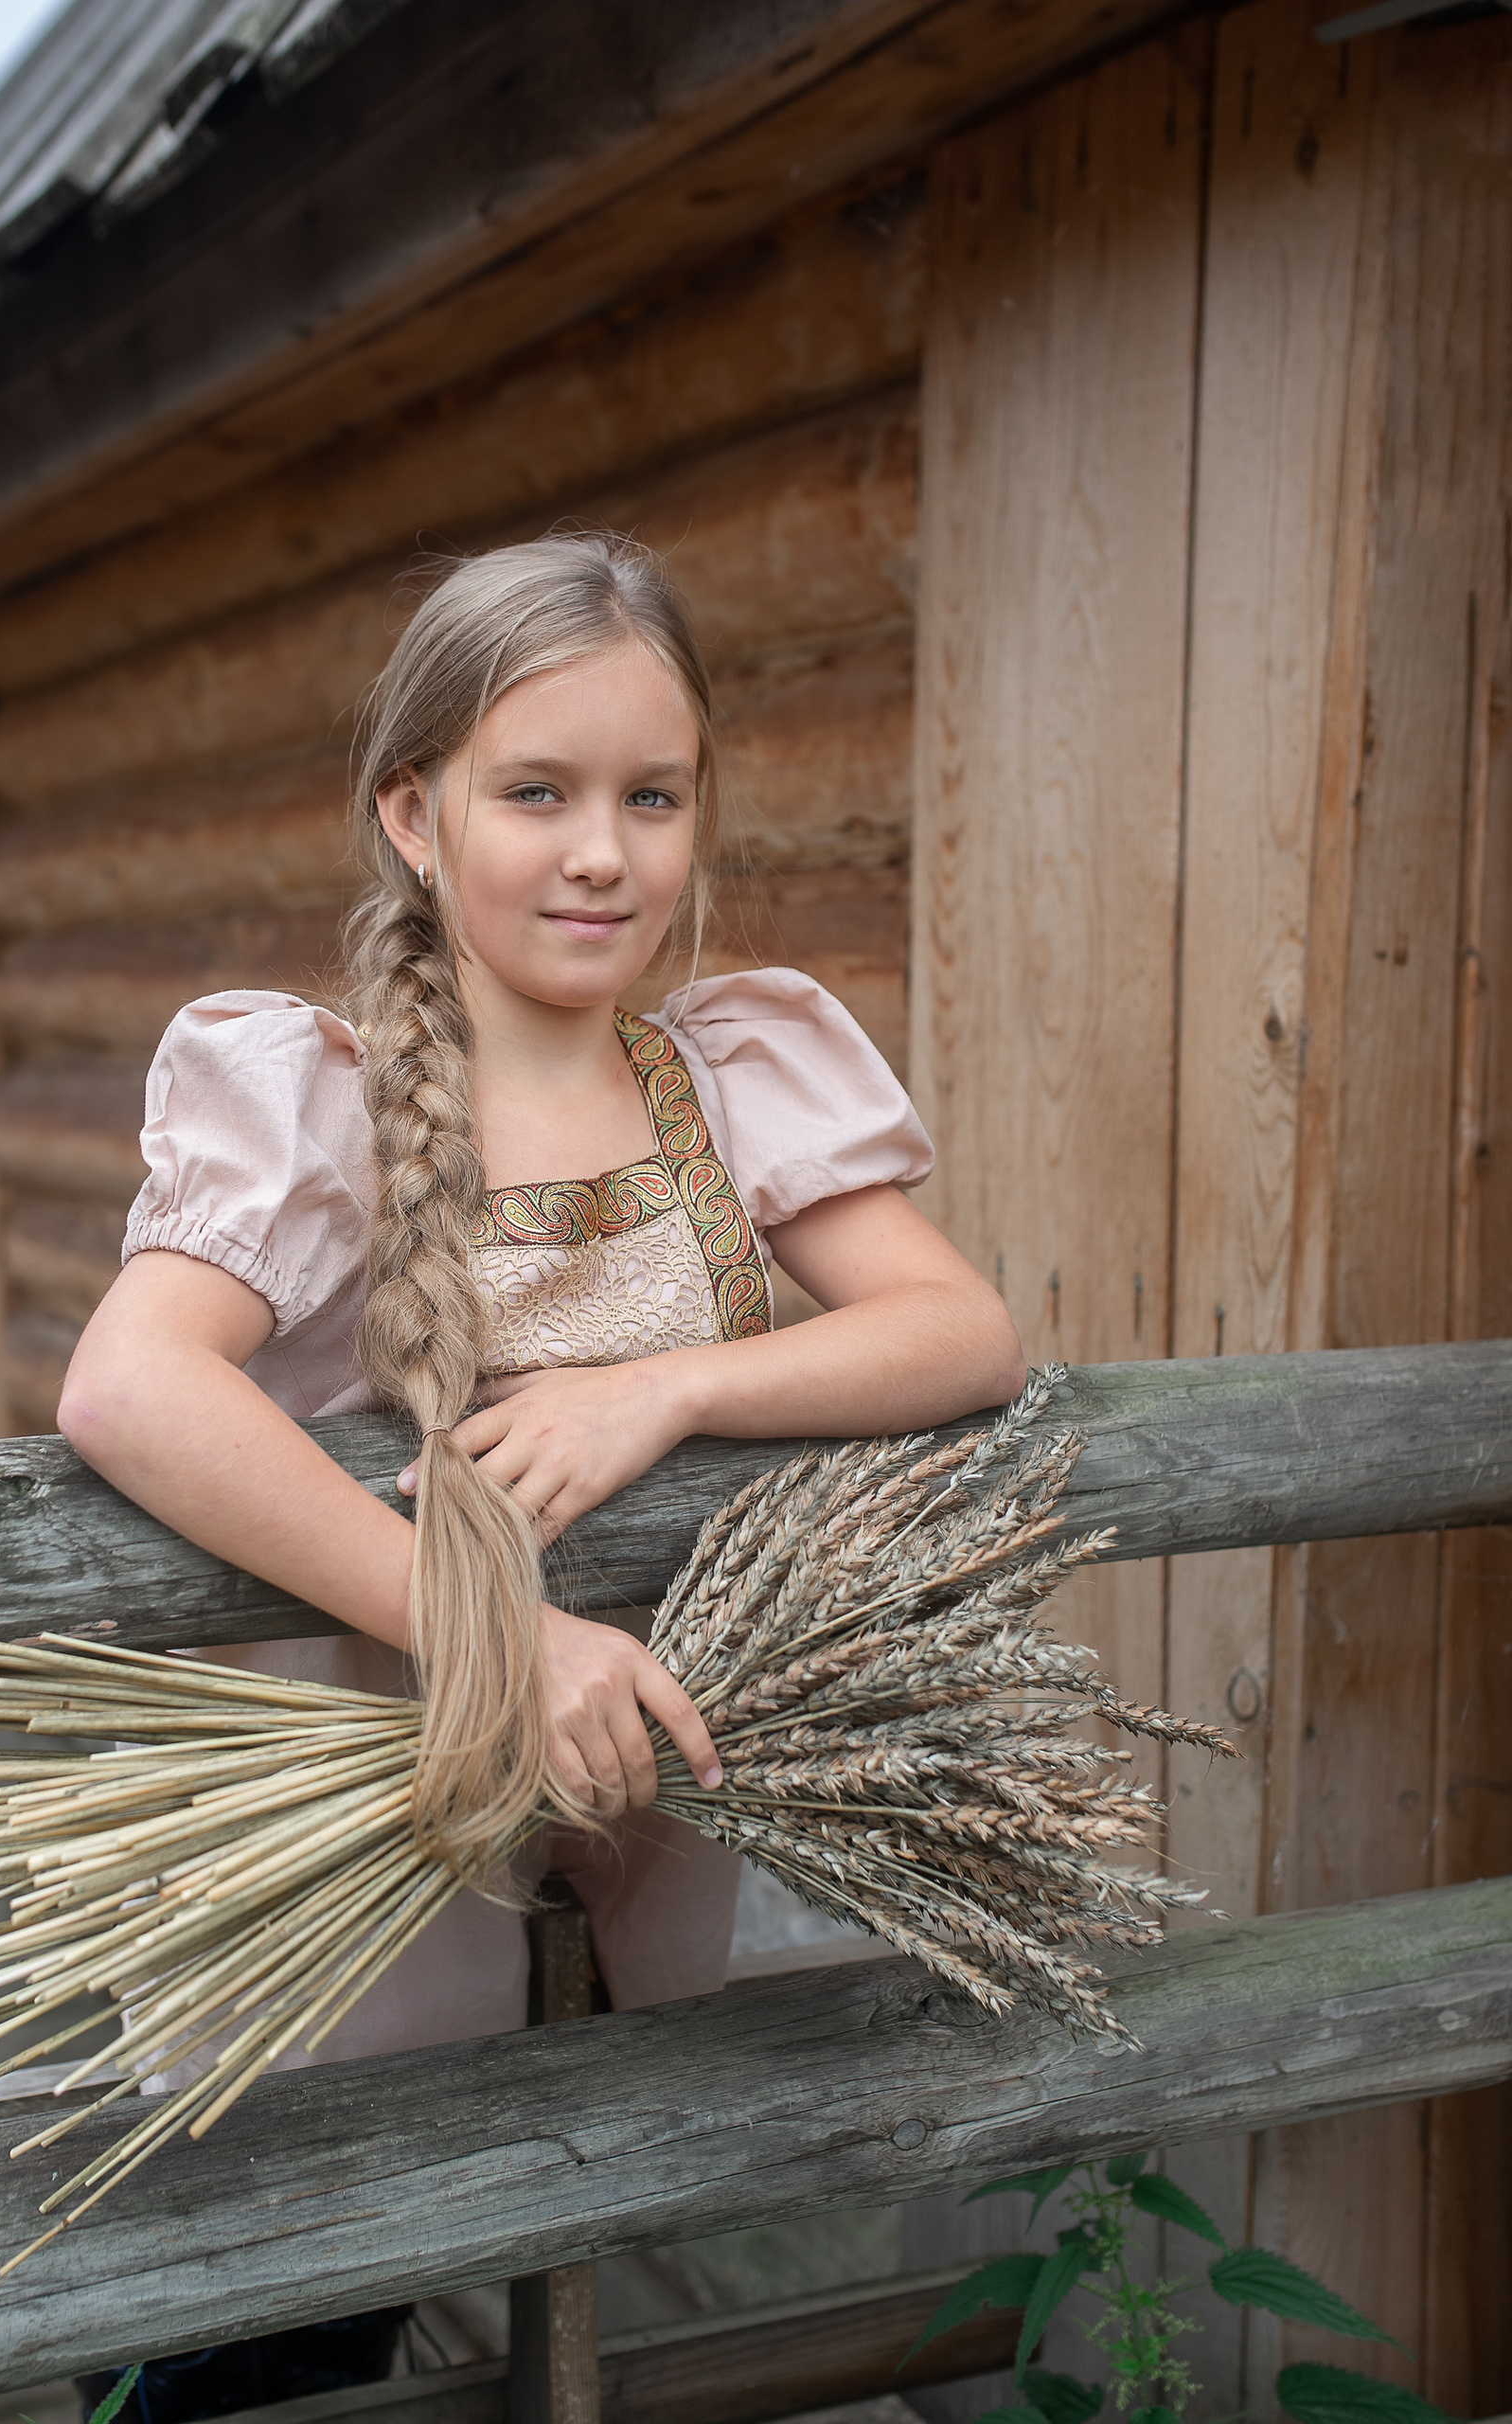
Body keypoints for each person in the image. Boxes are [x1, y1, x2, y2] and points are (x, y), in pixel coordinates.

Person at [59, 531, 1024, 2404]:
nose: (603, 849)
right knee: (294, 2338)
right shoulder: (319, 1100)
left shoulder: (731, 1078)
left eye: (649, 795)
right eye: (537, 791)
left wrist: (665, 1385)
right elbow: (132, 1388)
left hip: (627, 1838)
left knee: (570, 2293)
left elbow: (956, 1327)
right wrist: (503, 1631)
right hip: (368, 1861)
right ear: (412, 813)